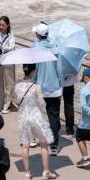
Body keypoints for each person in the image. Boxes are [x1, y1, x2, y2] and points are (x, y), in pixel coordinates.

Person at [14, 64, 57, 180]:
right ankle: (46, 171)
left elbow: (17, 100)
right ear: (33, 71)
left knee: (25, 145)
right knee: (43, 143)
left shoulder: (17, 85)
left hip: (23, 116)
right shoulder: (36, 86)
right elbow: (42, 104)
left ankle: (27, 173)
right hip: (36, 116)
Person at [32, 23, 62, 155]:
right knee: (53, 117)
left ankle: (35, 139)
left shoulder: (36, 48)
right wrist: (60, 85)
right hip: (54, 88)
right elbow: (59, 69)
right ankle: (54, 145)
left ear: (38, 35)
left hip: (39, 88)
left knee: (36, 113)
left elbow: (34, 70)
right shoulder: (55, 48)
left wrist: (32, 82)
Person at [0, 16, 15, 114]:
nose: (1, 27)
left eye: (3, 25)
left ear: (8, 25)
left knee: (9, 84)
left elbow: (11, 48)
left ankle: (7, 105)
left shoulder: (11, 36)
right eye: (0, 25)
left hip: (8, 62)